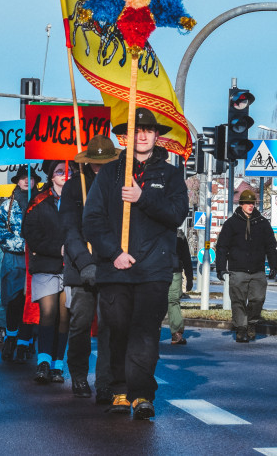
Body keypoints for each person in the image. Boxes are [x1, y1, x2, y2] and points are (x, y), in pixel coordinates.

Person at [84, 108, 189, 420]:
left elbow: (176, 214)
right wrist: (114, 252)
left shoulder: (171, 175)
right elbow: (92, 221)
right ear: (125, 137)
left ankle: (142, 393)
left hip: (153, 271)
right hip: (115, 269)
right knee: (117, 332)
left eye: (148, 130)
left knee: (144, 335)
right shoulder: (109, 173)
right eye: (136, 130)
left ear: (157, 136)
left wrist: (143, 197)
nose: (142, 135)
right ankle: (118, 389)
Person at [62, 135, 118, 402]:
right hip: (81, 268)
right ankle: (79, 375)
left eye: (103, 162)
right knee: (80, 324)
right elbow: (70, 230)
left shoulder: (119, 185)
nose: (99, 166)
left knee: (110, 327)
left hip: (111, 265)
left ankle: (105, 382)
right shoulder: (74, 187)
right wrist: (85, 262)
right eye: (95, 162)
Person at [24, 159, 72, 384]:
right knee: (48, 313)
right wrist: (57, 249)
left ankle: (58, 365)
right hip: (45, 265)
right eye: (60, 171)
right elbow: (31, 234)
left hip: (71, 267)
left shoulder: (80, 199)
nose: (65, 174)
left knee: (65, 316)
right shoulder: (39, 201)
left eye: (68, 171)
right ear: (51, 176)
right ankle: (43, 361)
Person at [216, 188, 277, 343]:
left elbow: (271, 245)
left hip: (257, 270)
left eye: (253, 203)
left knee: (258, 299)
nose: (250, 206)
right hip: (237, 270)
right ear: (241, 204)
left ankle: (251, 322)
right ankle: (241, 329)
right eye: (247, 203)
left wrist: (274, 265)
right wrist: (221, 267)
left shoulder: (263, 223)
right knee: (238, 301)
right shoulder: (231, 223)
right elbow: (222, 246)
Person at [0, 166, 41, 363]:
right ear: (17, 181)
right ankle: (11, 338)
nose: (25, 182)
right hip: (14, 258)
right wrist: (22, 245)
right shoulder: (7, 205)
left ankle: (26, 341)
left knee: (32, 302)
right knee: (13, 301)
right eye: (22, 178)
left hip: (37, 257)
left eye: (29, 178)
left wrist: (38, 245)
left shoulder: (42, 202)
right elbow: (0, 231)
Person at [168, 231, 193, 345]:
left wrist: (190, 277)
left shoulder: (179, 235)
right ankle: (152, 331)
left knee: (173, 300)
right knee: (155, 301)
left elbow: (186, 257)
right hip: (155, 270)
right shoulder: (152, 228)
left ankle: (176, 333)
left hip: (174, 271)